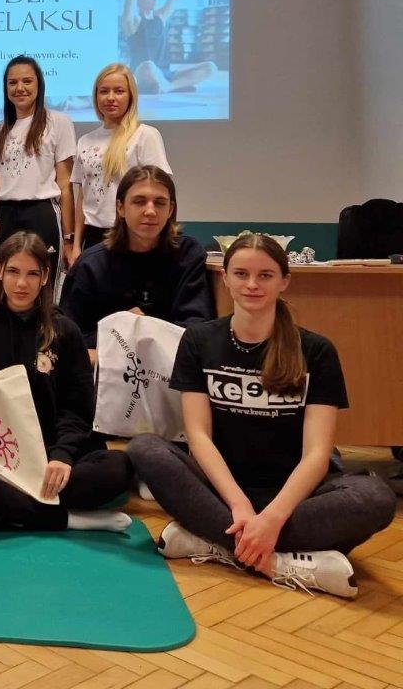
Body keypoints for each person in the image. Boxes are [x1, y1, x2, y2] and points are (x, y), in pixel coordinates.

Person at [128, 234, 397, 598]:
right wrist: (239, 504)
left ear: (285, 280)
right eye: (241, 274)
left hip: (296, 496)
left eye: (265, 275)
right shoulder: (198, 341)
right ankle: (282, 561)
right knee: (145, 448)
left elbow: (317, 454)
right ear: (225, 278)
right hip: (223, 491)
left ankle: (220, 543)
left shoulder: (316, 350)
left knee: (376, 497)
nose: (252, 284)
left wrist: (272, 518)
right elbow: (198, 437)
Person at [0, 233, 132, 532]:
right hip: (0, 459)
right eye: (13, 271)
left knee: (117, 468)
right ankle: (66, 519)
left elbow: (78, 409)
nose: (22, 283)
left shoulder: (65, 331)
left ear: (45, 277)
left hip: (51, 453)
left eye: (32, 274)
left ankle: (4, 510)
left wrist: (62, 456)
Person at [60, 166, 214, 361]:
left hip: (172, 369)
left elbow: (197, 328)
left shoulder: (189, 256)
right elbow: (67, 337)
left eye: (160, 203)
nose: (150, 211)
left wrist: (144, 330)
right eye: (139, 201)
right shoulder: (90, 265)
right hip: (104, 371)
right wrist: (121, 329)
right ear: (120, 208)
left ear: (170, 210)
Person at [0, 55, 76, 286]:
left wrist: (69, 238)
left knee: (44, 284)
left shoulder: (59, 122)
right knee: (7, 284)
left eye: (27, 81)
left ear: (39, 85)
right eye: (12, 83)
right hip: (5, 214)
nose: (20, 88)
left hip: (43, 213)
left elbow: (65, 185)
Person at [72, 64, 170, 259]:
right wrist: (76, 245)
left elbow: (159, 191)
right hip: (92, 237)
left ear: (131, 96)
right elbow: (83, 196)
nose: (110, 98)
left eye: (119, 91)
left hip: (132, 236)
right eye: (104, 91)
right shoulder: (85, 141)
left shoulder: (145, 136)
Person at [121, 0, 216, 96]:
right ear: (139, 0)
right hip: (142, 74)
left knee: (210, 67)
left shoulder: (161, 17)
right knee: (148, 65)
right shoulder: (132, 22)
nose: (155, 0)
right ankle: (167, 85)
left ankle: (168, 87)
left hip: (164, 73)